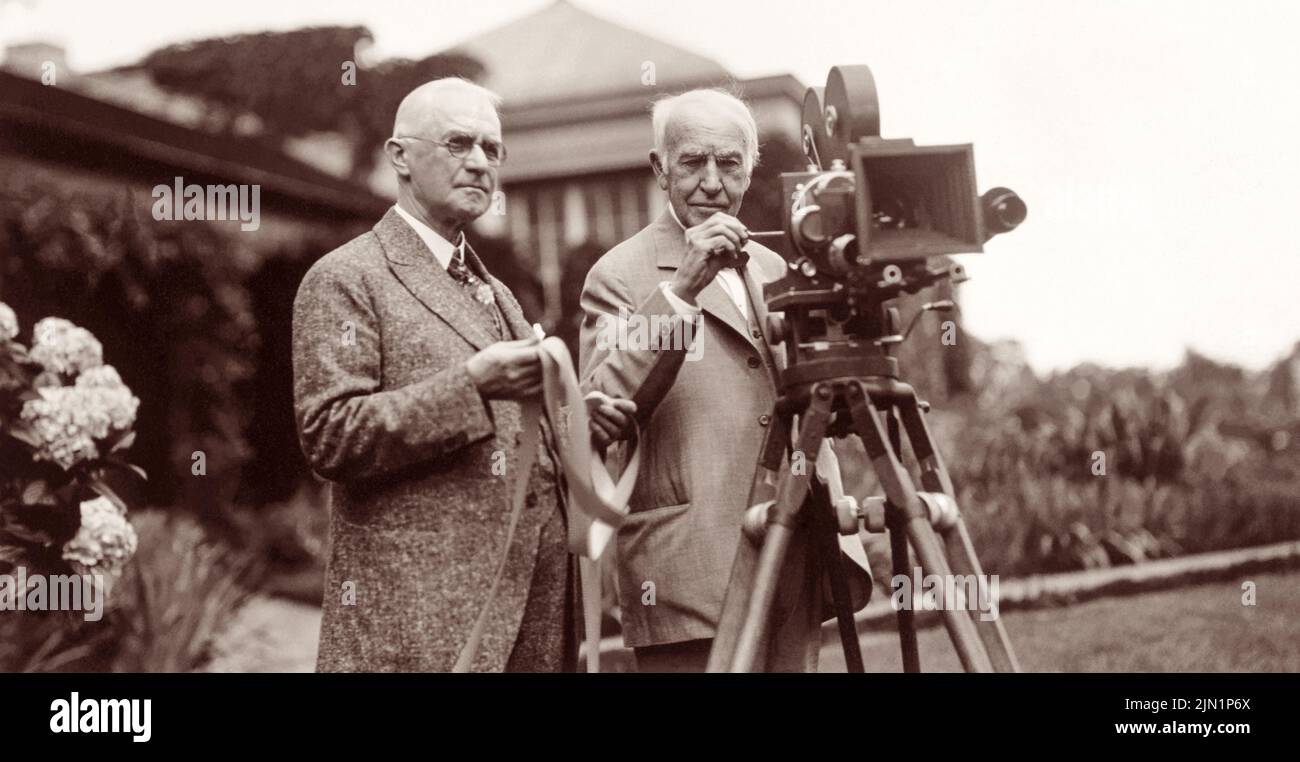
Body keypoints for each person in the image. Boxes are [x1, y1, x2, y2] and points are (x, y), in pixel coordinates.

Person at [293, 78, 632, 672]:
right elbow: (331, 435)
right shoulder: (346, 277)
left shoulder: (495, 291)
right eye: (458, 144)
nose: (480, 164)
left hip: (538, 620)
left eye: (492, 149)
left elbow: (514, 431)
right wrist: (471, 386)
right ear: (400, 156)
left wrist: (572, 424)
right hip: (423, 630)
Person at [579, 89, 869, 672]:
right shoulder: (618, 273)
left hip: (794, 550)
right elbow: (601, 405)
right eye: (692, 162)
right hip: (689, 569)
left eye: (729, 163)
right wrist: (680, 291)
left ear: (749, 168)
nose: (712, 182)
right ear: (660, 169)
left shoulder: (777, 266)